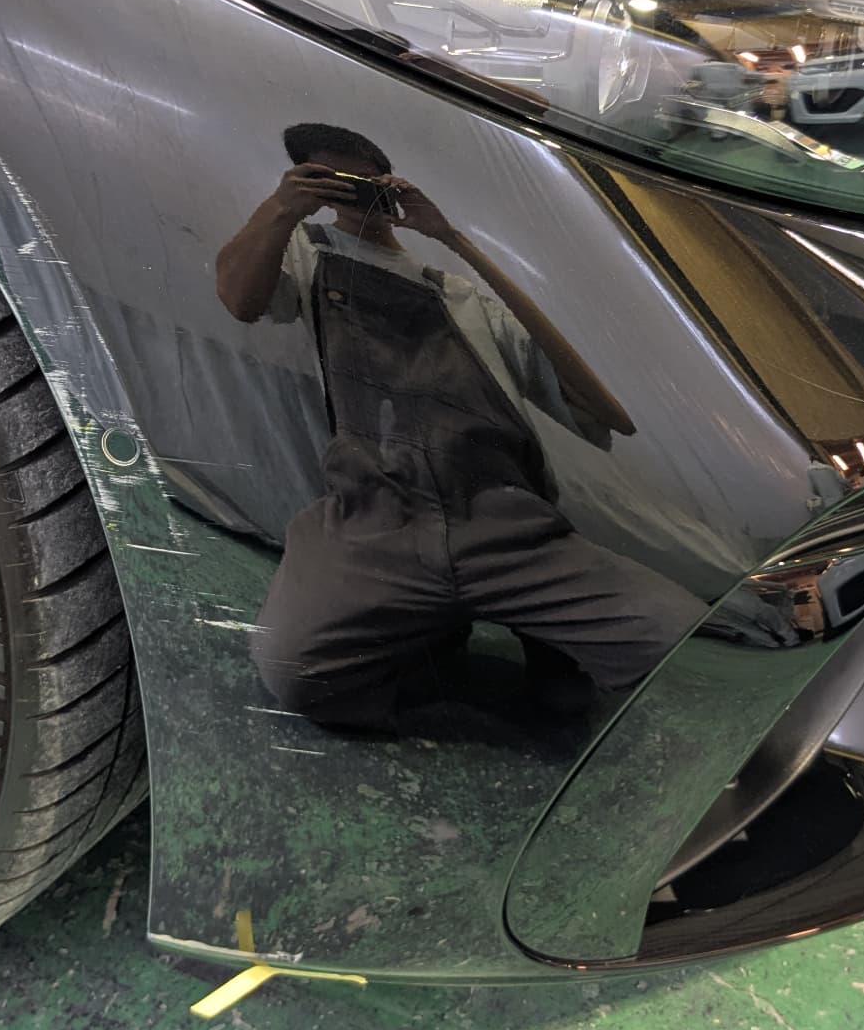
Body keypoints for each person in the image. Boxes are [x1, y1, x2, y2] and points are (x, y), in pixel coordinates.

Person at [216, 123, 708, 727]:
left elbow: (611, 417)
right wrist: (281, 208)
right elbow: (239, 299)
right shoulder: (307, 252)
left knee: (684, 657)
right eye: (333, 181)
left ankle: (523, 632)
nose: (354, 194)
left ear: (391, 183)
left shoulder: (457, 294)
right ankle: (438, 632)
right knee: (296, 675)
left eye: (366, 181)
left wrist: (453, 239)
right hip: (375, 522)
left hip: (506, 525)